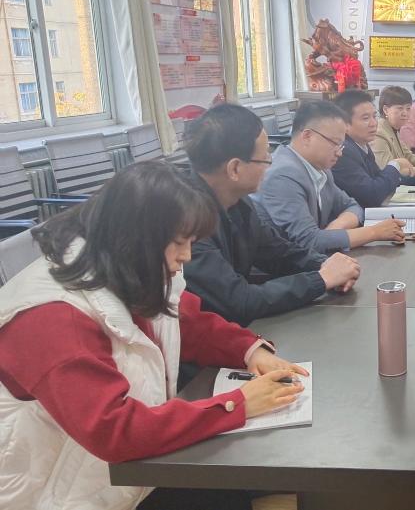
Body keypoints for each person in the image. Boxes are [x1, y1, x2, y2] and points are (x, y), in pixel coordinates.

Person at [0, 161, 308, 510]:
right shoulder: (52, 318)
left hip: (121, 474)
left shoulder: (128, 266)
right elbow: (112, 429)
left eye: (191, 242)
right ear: (134, 237)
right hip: (56, 493)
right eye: (179, 242)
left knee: (241, 485)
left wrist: (250, 350)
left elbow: (186, 321)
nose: (187, 256)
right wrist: (237, 405)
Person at [183, 103, 361, 326]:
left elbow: (278, 253)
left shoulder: (239, 202)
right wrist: (321, 279)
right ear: (235, 169)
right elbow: (238, 301)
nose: (271, 162)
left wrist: (326, 265)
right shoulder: (187, 221)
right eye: (265, 157)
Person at [254, 100, 406, 253]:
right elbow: (308, 242)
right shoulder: (282, 175)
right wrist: (374, 232)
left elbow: (353, 206)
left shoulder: (321, 168)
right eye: (335, 143)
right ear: (307, 136)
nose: (339, 153)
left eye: (341, 145)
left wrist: (332, 231)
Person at [331, 89, 415, 208]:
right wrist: (395, 164)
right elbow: (372, 194)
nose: (373, 123)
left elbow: (379, 177)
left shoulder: (362, 144)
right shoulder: (344, 152)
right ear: (344, 123)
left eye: (374, 116)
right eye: (365, 118)